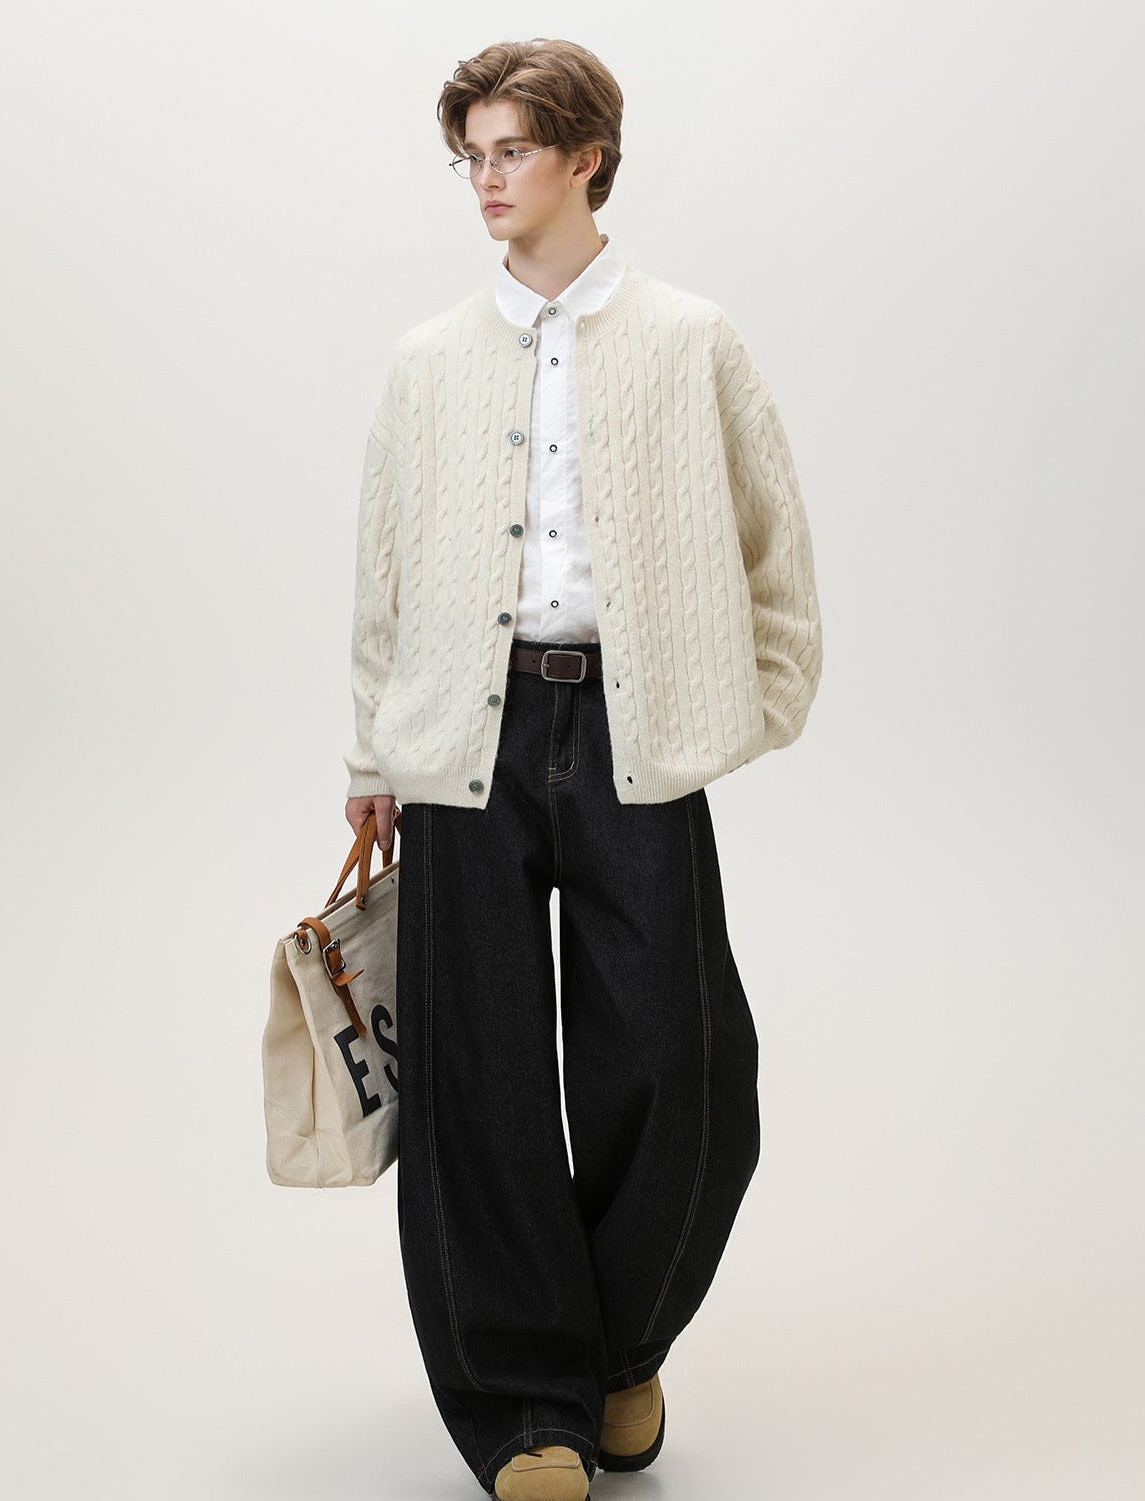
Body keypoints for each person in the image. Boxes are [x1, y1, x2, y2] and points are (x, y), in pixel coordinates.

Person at [343, 37, 823, 1501]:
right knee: (478, 1076)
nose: (485, 180)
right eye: (471, 156)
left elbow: (773, 541)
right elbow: (385, 573)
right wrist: (373, 753)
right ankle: (527, 1409)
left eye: (511, 152)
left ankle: (618, 1348)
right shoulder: (429, 361)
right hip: (462, 740)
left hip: (636, 725)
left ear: (586, 158)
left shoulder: (691, 338)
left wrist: (743, 708)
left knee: (676, 1059)